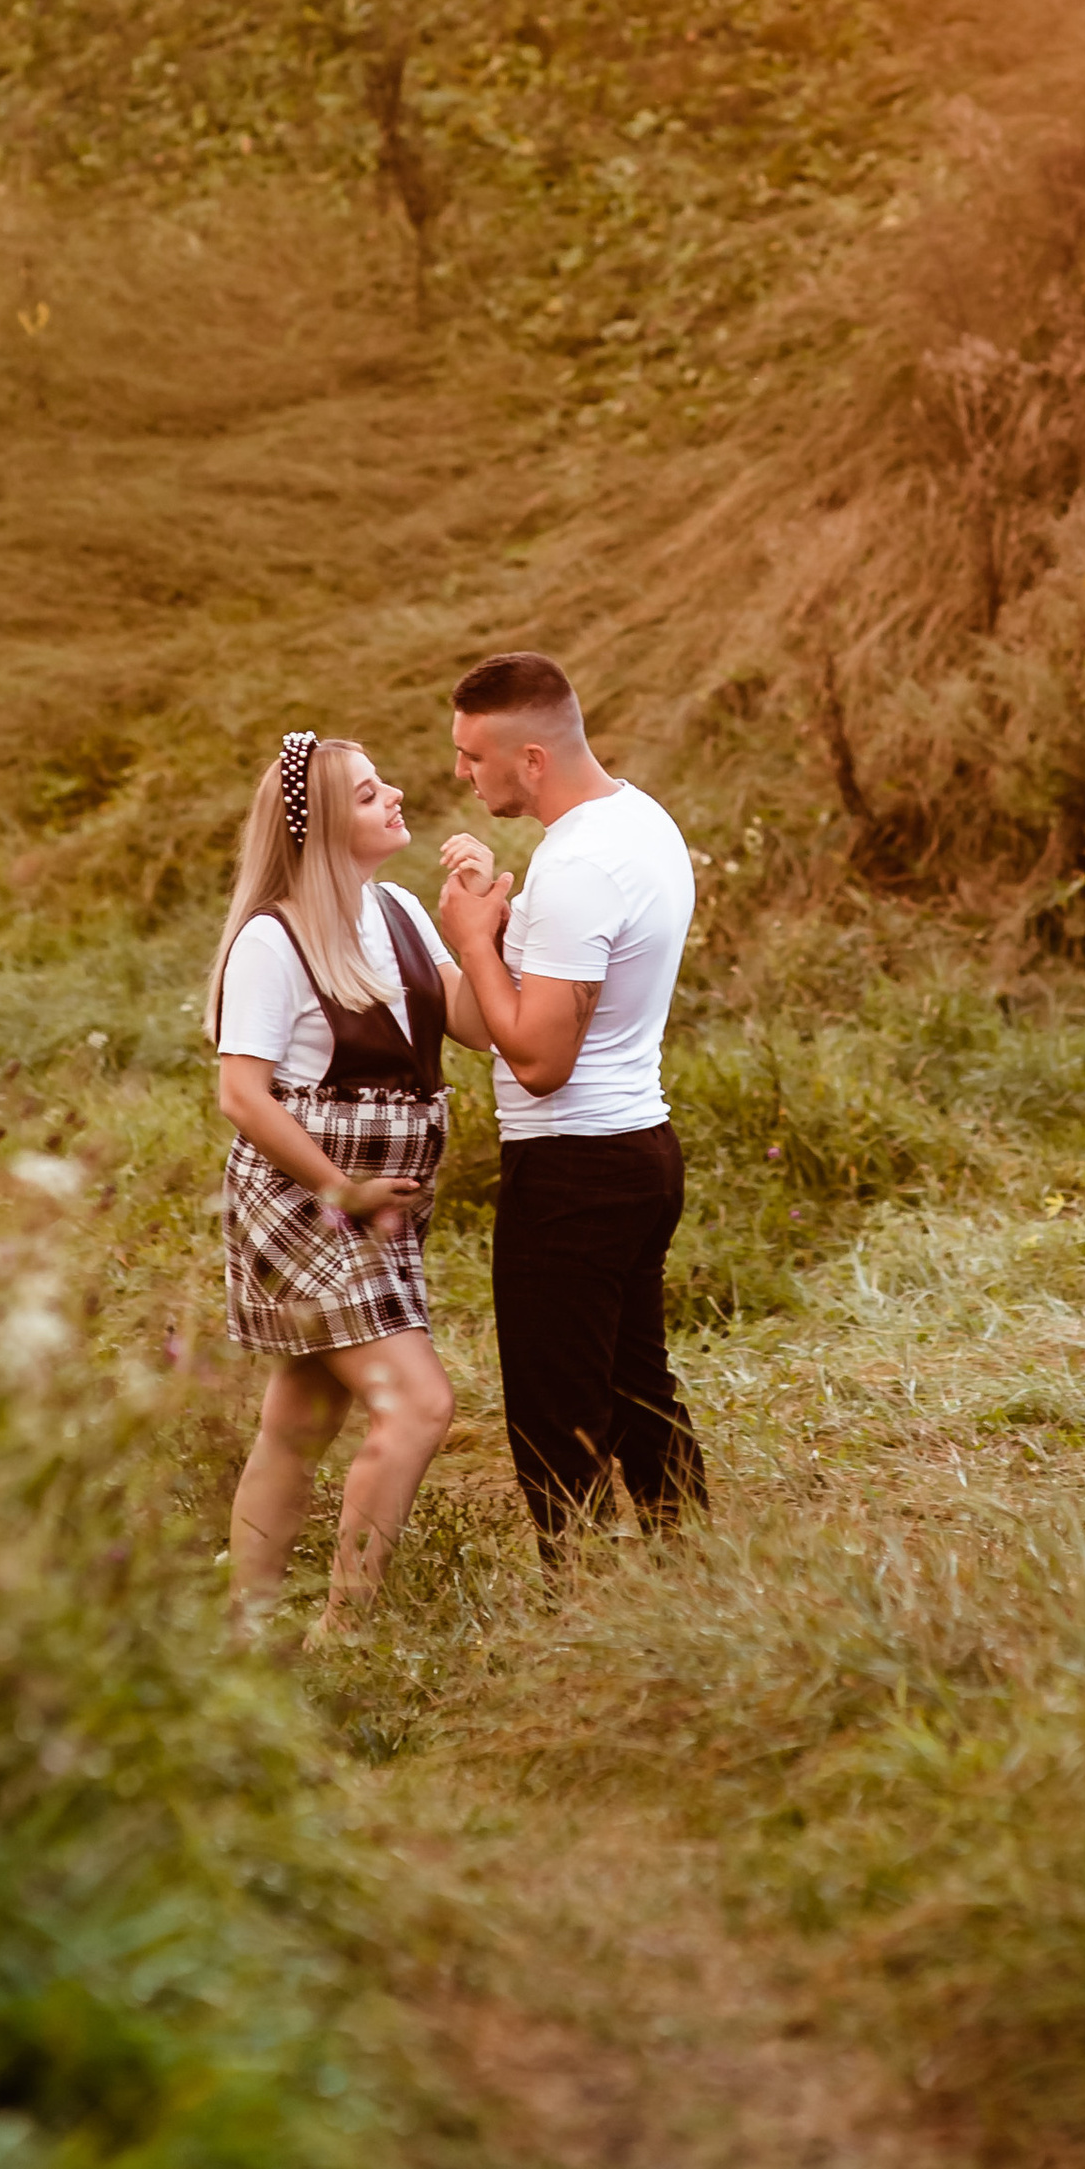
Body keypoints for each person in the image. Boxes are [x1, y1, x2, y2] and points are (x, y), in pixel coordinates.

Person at [207, 727, 493, 1639]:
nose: (396, 795)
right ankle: (346, 1631)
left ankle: (244, 1627)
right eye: (370, 793)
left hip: (382, 1210)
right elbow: (242, 1097)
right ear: (327, 827)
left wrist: (475, 921)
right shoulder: (273, 939)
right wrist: (341, 1188)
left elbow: (481, 1029)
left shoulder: (402, 909)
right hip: (306, 1203)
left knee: (301, 1413)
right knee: (418, 1402)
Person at [436, 651, 709, 1562]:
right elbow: (515, 1021)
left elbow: (542, 1060)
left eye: (475, 756)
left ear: (532, 759)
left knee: (558, 1417)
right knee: (635, 1388)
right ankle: (695, 1568)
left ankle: (584, 1612)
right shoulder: (640, 821)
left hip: (572, 1168)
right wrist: (494, 944)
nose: (462, 773)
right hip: (637, 1148)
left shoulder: (576, 866)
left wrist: (476, 940)